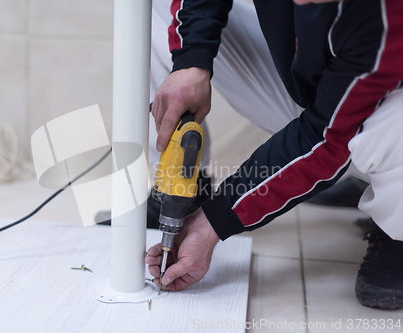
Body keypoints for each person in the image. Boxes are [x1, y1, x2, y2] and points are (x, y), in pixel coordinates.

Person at [145, 0, 403, 309]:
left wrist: (214, 222)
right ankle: (183, 191)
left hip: (377, 107)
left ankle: (396, 228)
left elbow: (327, 138)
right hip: (333, 91)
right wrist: (191, 61)